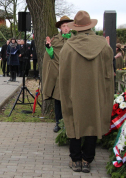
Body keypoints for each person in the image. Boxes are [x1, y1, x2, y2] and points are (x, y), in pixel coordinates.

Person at [59, 11, 114, 173]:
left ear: (75, 27)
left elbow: (64, 75)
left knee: (74, 120)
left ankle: (75, 159)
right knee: (93, 120)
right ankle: (87, 160)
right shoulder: (104, 45)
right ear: (90, 26)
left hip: (74, 92)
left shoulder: (68, 47)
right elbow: (108, 73)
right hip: (95, 92)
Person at [41, 15, 73, 133]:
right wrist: (49, 48)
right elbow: (51, 57)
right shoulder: (55, 40)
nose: (66, 28)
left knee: (71, 100)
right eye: (63, 26)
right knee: (58, 100)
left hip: (72, 74)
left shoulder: (75, 40)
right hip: (59, 75)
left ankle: (70, 123)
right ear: (60, 27)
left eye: (67, 26)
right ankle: (58, 123)